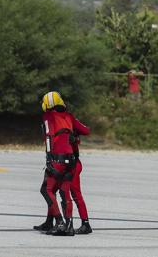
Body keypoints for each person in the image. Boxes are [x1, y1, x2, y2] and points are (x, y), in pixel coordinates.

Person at [33, 91, 90, 236]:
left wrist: (48, 158)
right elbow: (86, 130)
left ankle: (60, 223)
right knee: (63, 191)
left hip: (58, 158)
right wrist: (74, 136)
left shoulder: (49, 116)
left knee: (47, 189)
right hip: (72, 159)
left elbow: (48, 136)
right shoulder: (69, 116)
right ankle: (67, 225)